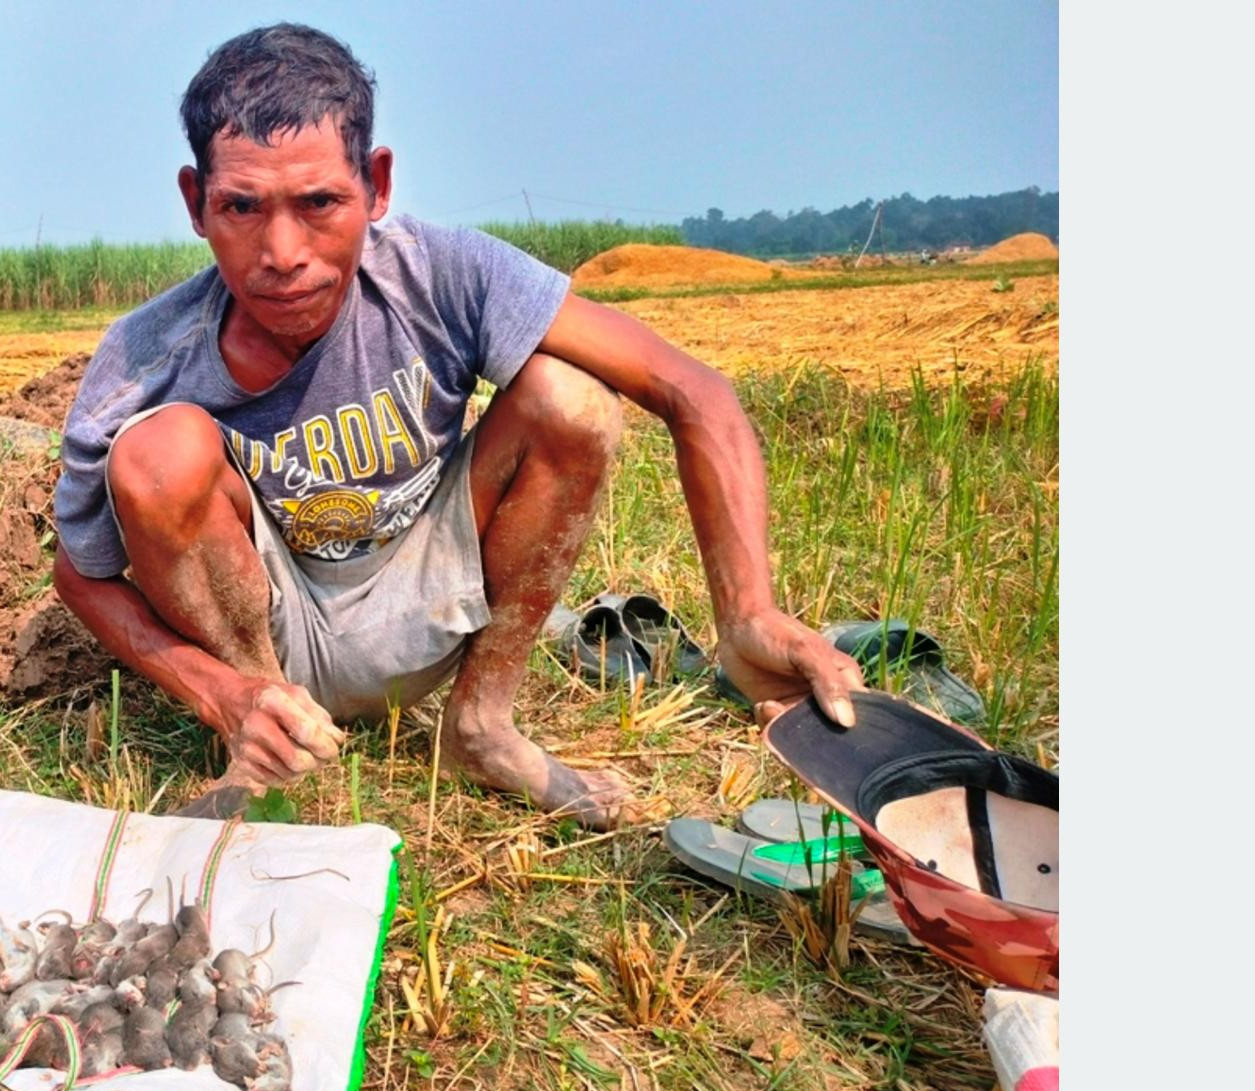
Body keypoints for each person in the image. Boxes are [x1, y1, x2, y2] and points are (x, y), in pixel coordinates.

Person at [51, 23, 863, 828]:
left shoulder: (442, 275)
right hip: (268, 629)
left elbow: (692, 389)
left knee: (568, 396)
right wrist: (223, 692)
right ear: (196, 203)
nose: (282, 251)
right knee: (158, 453)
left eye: (320, 203)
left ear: (376, 184)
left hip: (426, 598)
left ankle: (479, 727)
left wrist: (748, 611)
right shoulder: (145, 352)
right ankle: (270, 744)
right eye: (240, 208)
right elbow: (78, 575)